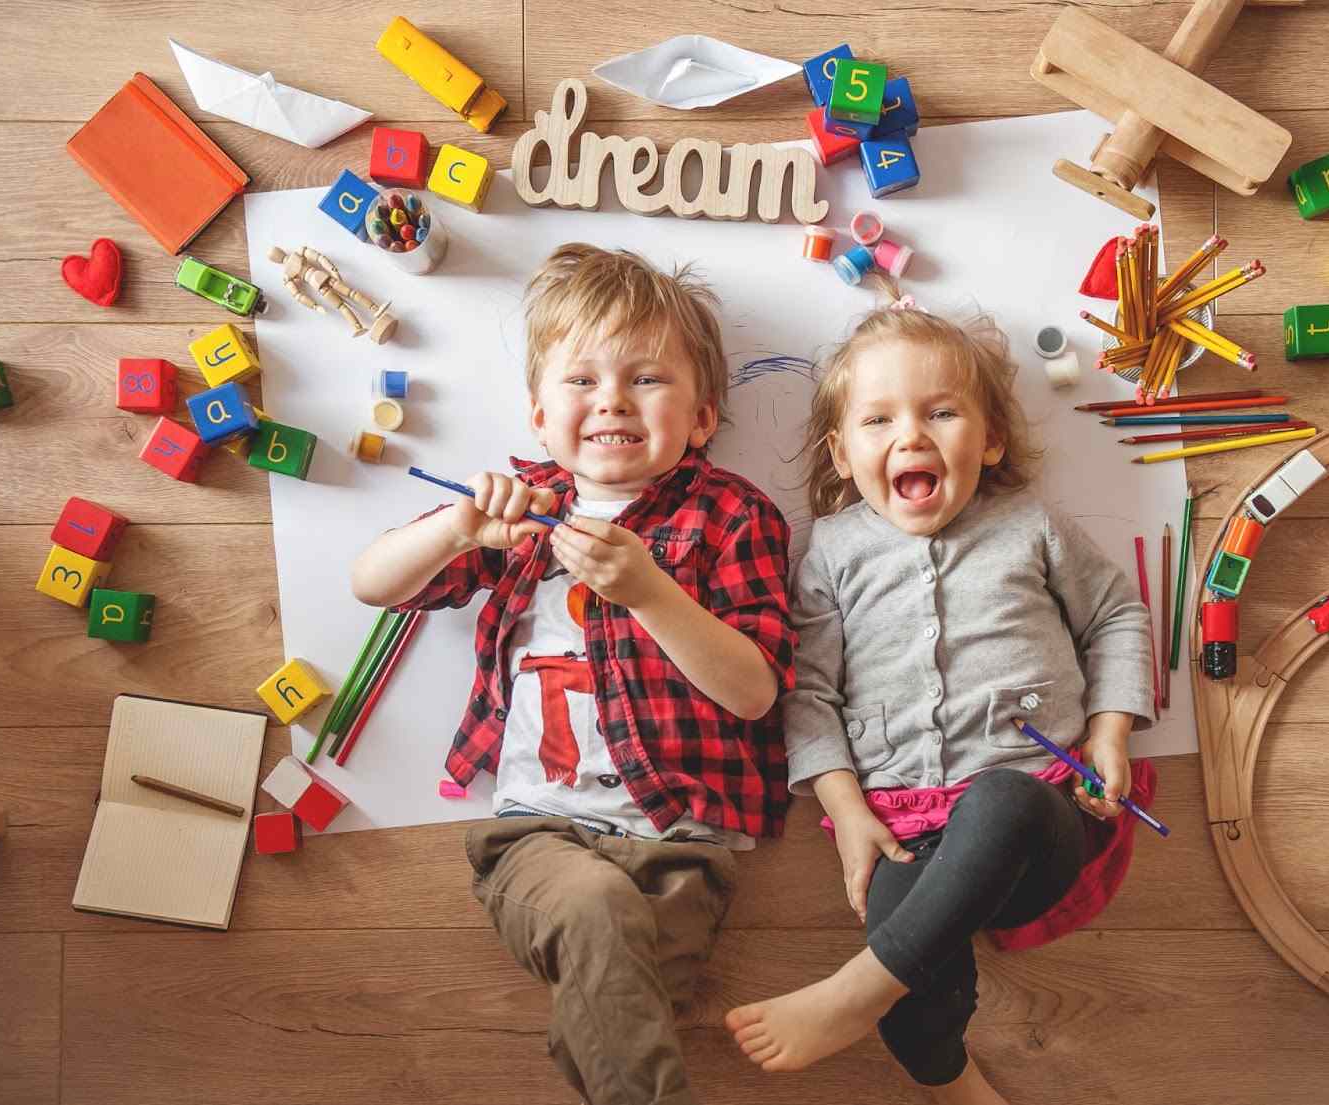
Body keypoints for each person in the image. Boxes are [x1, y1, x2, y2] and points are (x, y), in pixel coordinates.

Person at [351, 243, 796, 1105]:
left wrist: (650, 592)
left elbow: (754, 691)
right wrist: (455, 530)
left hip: (683, 849)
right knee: (593, 916)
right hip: (537, 836)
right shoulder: (516, 505)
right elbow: (372, 583)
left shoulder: (733, 514)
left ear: (703, 418)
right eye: (581, 381)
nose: (613, 401)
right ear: (538, 413)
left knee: (612, 1027)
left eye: (647, 380)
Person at [726, 302, 1157, 1104]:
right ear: (844, 453)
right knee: (908, 977)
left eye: (942, 412)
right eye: (878, 419)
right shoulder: (830, 551)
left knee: (1001, 800)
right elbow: (809, 692)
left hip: (1041, 812)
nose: (911, 436)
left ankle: (858, 985)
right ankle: (954, 1080)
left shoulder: (1029, 524)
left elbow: (1118, 613)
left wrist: (1109, 730)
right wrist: (847, 809)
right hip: (905, 825)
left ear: (989, 439)